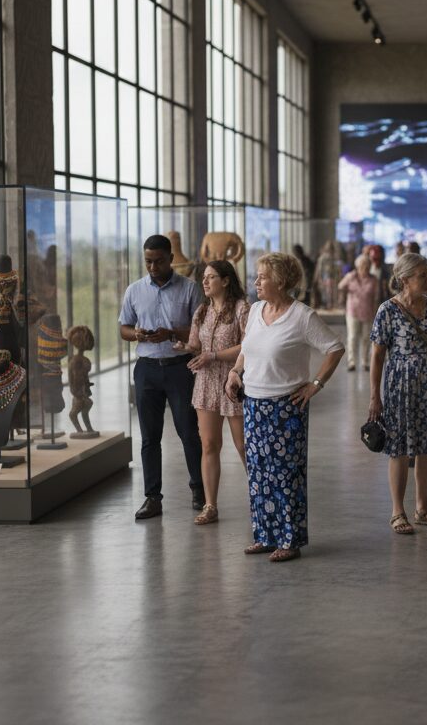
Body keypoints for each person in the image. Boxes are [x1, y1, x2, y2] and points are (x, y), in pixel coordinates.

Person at [225, 252, 344, 562]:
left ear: (279, 280)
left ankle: (289, 540)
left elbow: (334, 348)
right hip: (253, 405)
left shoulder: (302, 316)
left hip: (286, 407)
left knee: (285, 476)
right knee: (259, 474)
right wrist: (236, 372)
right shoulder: (254, 311)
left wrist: (315, 384)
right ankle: (264, 535)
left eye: (262, 277)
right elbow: (247, 350)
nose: (256, 282)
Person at [119, 234, 205, 521]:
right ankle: (152, 498)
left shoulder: (190, 289)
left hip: (180, 368)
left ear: (170, 259)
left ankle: (199, 490)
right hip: (146, 369)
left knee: (188, 432)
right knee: (149, 437)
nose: (152, 267)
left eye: (158, 261)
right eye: (148, 262)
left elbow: (201, 332)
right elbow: (124, 328)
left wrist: (169, 333)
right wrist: (138, 334)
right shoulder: (134, 290)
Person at [369, 253, 427, 535]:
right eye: (422, 275)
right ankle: (397, 511)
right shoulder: (387, 310)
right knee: (400, 450)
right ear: (405, 279)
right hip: (400, 388)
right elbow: (377, 357)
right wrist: (374, 396)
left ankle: (422, 508)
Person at [173, 260, 249, 525]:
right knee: (209, 445)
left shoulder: (242, 309)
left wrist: (213, 355)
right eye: (203, 278)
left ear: (226, 280)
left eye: (210, 277)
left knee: (243, 446)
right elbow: (196, 345)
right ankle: (210, 505)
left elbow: (248, 346)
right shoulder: (201, 311)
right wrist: (184, 346)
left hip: (233, 383)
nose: (204, 282)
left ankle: (260, 499)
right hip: (205, 384)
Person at [338, 255, 379, 371]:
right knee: (352, 337)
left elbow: (376, 297)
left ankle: (365, 362)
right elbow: (340, 286)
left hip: (368, 312)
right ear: (358, 266)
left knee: (366, 338)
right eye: (362, 265)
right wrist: (346, 288)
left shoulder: (374, 279)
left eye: (367, 265)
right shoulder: (351, 276)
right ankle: (352, 362)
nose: (365, 268)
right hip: (353, 311)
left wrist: (376, 313)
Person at [315, 240, 342, 310]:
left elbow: (339, 267)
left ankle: (333, 304)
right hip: (326, 276)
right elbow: (320, 268)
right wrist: (319, 278)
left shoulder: (336, 257)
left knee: (334, 291)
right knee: (326, 292)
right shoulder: (322, 257)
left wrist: (340, 275)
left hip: (334, 276)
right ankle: (328, 305)